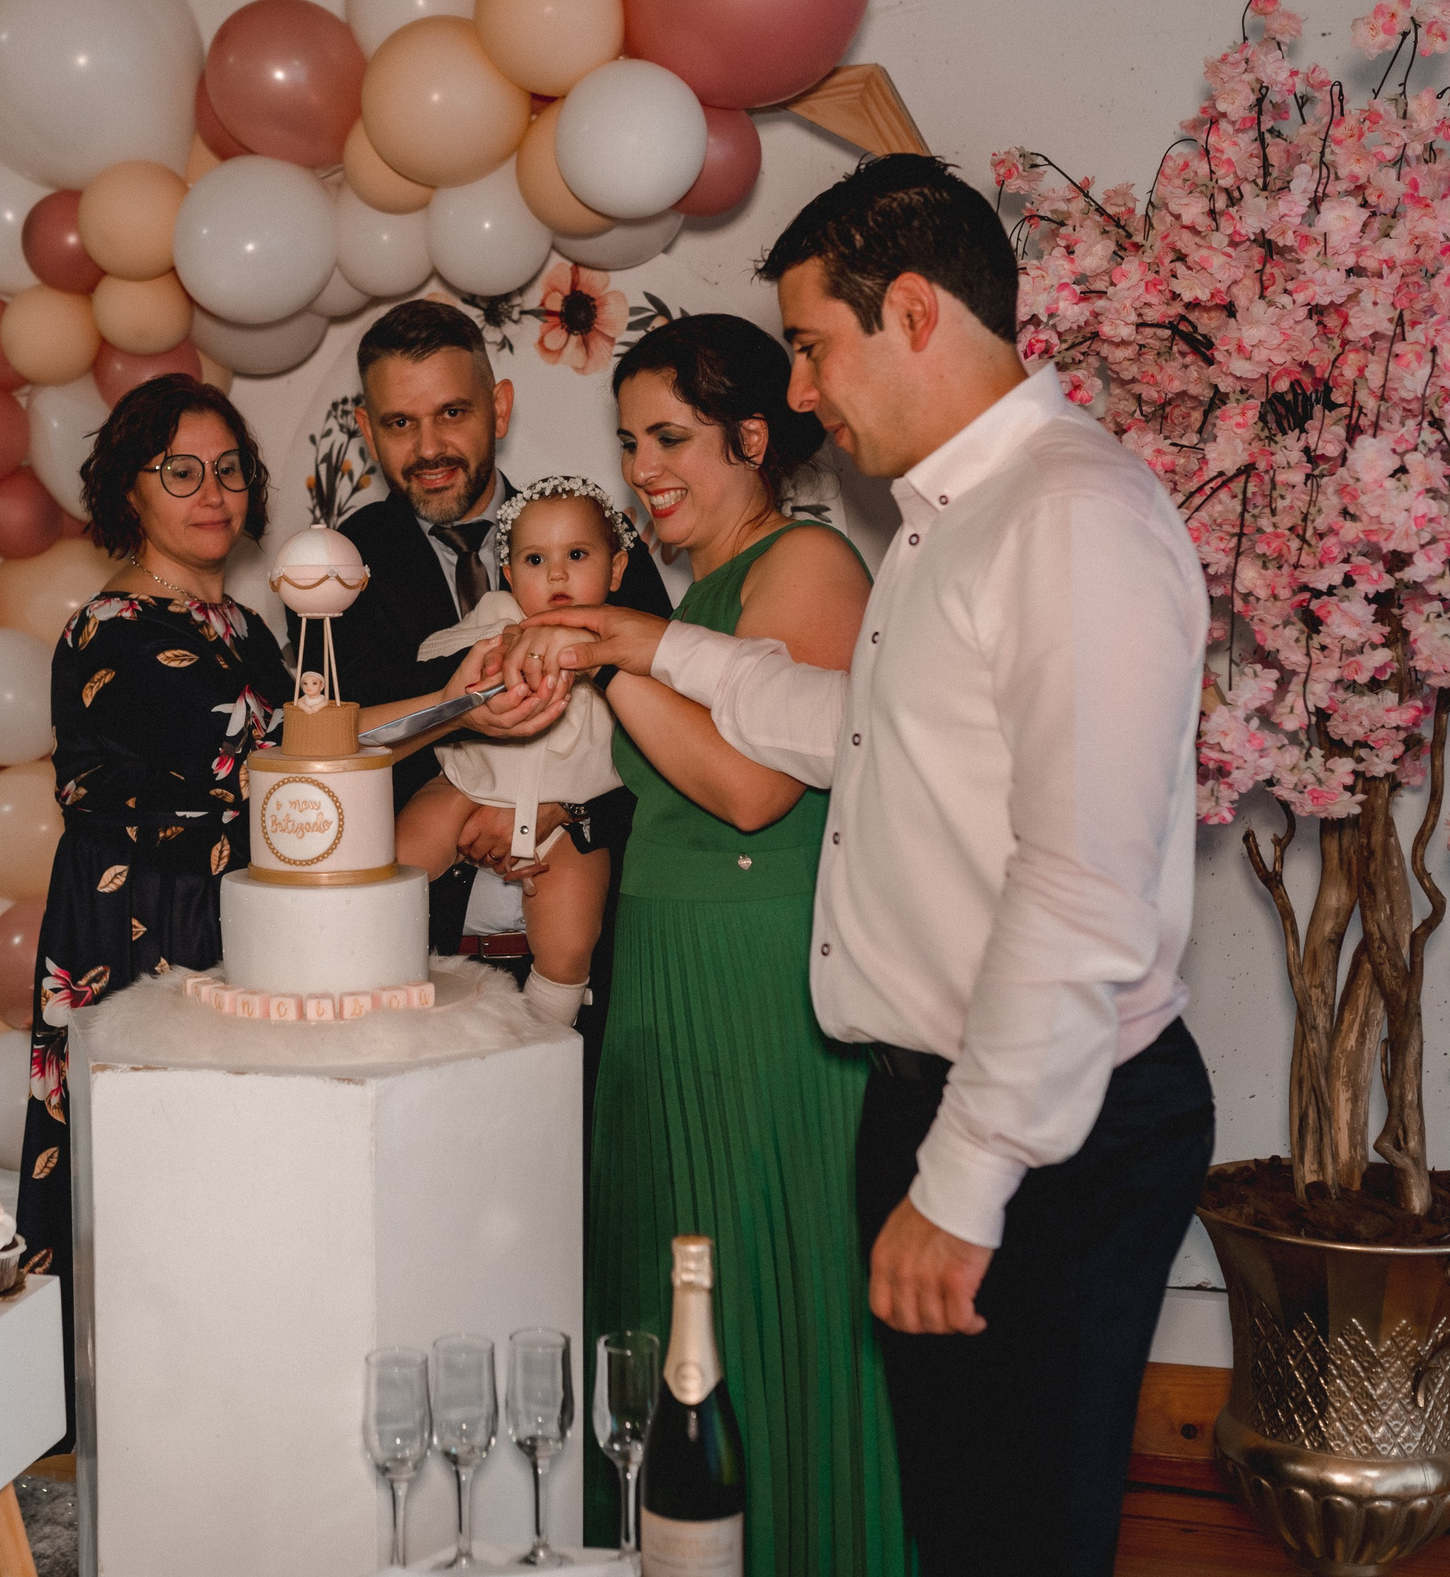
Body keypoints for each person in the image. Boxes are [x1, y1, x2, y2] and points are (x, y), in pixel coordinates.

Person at [507, 157, 1216, 1576]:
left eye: (817, 348)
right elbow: (853, 731)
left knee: (1013, 1535)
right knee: (951, 1516)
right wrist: (651, 643)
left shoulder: (1070, 517)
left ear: (911, 309)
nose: (809, 394)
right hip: (939, 1099)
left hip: (1041, 1127)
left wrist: (963, 1182)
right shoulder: (954, 521)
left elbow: (1081, 888)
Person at [16, 374, 565, 1449]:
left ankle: (236, 1429)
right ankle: (149, 1446)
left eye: (228, 469)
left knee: (238, 1200)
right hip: (146, 935)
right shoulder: (116, 629)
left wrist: (469, 702)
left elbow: (322, 746)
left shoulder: (236, 620)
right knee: (150, 1199)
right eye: (182, 470)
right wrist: (470, 701)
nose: (211, 491)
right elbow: (283, 751)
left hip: (237, 919)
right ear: (130, 488)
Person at [557, 313, 902, 1576]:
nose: (642, 466)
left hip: (754, 989)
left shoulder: (802, 559)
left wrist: (605, 652)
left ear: (754, 438)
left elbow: (757, 792)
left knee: (753, 1279)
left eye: (671, 437)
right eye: (628, 441)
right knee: (662, 1280)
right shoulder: (693, 588)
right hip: (661, 970)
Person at [312, 299, 672, 1089]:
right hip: (416, 974)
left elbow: (667, 739)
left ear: (499, 409)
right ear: (368, 435)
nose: (430, 446)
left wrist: (567, 812)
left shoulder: (594, 536)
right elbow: (328, 750)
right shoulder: (341, 565)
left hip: (583, 960)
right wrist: (464, 739)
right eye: (400, 423)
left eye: (452, 412)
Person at [400, 477, 640, 1021]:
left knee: (569, 942)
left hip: (570, 813)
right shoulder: (496, 617)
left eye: (577, 555)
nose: (556, 574)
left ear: (616, 569)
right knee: (396, 862)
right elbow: (430, 654)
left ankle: (543, 1042)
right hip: (470, 784)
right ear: (509, 574)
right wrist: (491, 649)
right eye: (535, 560)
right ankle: (367, 978)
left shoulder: (626, 639)